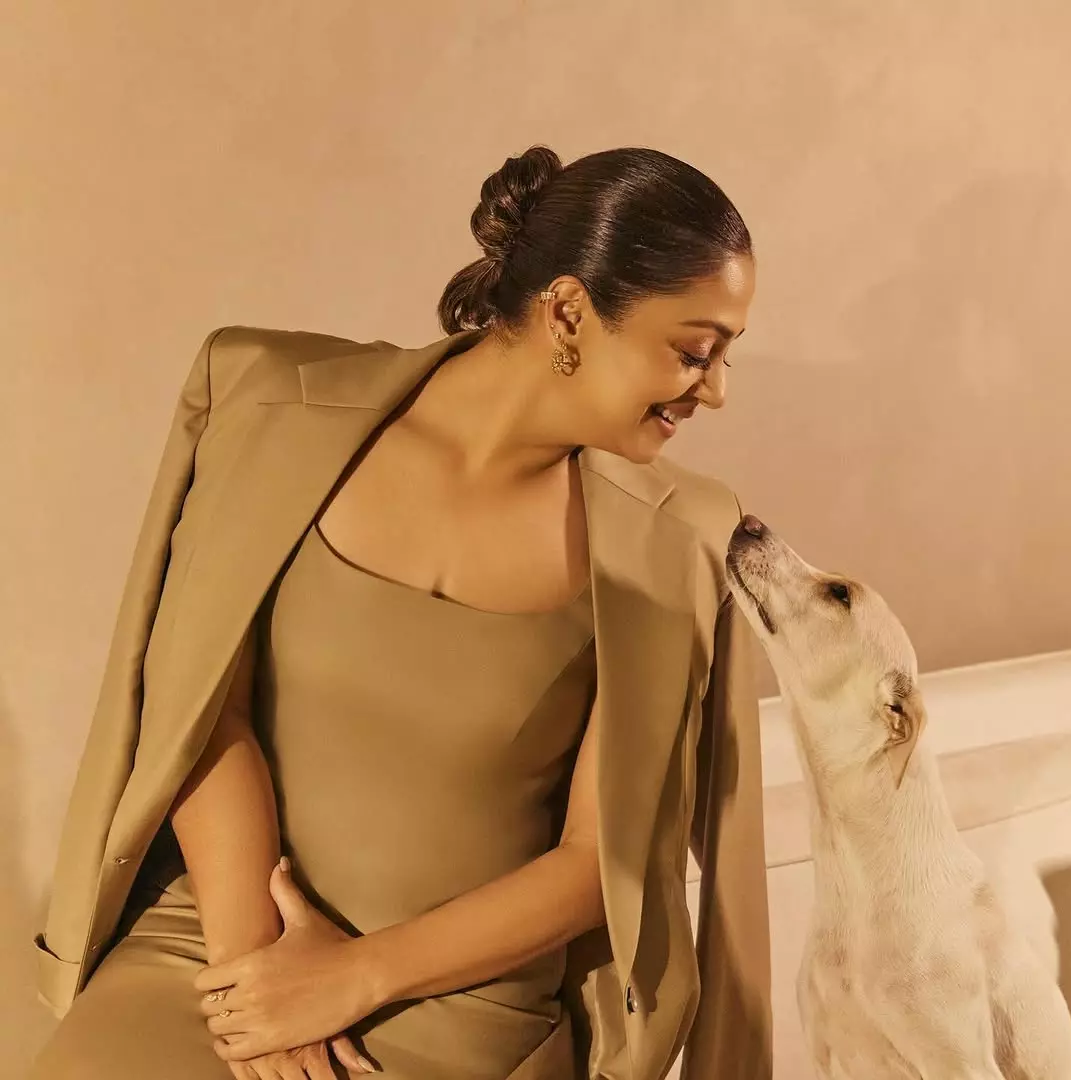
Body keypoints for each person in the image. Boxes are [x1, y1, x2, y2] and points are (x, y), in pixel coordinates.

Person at [29, 145, 771, 1080]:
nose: (716, 390)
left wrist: (353, 976)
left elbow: (600, 860)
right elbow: (201, 710)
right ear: (569, 311)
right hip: (214, 945)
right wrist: (264, 979)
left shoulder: (675, 538)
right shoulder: (268, 397)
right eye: (695, 353)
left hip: (467, 1006)